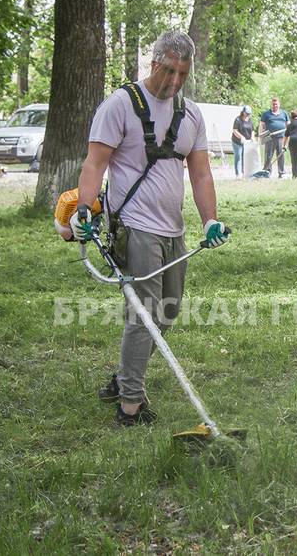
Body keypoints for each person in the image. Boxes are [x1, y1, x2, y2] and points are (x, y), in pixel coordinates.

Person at [68, 30, 230, 426]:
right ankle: (130, 407)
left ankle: (126, 377)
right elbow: (95, 164)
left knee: (167, 313)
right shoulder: (120, 105)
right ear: (154, 63)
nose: (175, 81)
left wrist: (210, 219)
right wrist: (85, 208)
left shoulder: (190, 114)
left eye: (183, 74)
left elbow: (202, 173)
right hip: (135, 227)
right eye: (170, 71)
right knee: (144, 314)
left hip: (173, 230)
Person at [260, 97, 289, 177]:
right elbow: (262, 125)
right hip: (270, 138)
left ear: (279, 104)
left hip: (281, 138)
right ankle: (267, 172)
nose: (274, 106)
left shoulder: (284, 113)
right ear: (271, 105)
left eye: (276, 104)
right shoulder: (266, 114)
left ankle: (281, 172)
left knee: (281, 155)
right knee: (268, 155)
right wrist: (262, 135)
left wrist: (288, 136)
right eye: (273, 104)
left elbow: (288, 125)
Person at [231, 105, 253, 178]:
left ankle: (245, 173)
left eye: (249, 114)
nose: (247, 115)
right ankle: (238, 174)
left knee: (245, 157)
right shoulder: (238, 119)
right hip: (237, 142)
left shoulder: (250, 120)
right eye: (246, 113)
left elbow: (252, 130)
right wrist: (241, 137)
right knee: (238, 157)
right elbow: (235, 130)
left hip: (246, 142)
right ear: (243, 112)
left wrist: (252, 137)